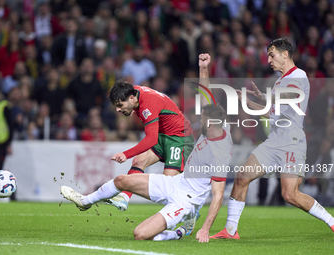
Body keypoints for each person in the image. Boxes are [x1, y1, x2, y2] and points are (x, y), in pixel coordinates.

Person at [61, 54, 232, 241]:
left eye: (204, 121)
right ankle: (85, 201)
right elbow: (206, 95)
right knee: (121, 179)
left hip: (187, 197)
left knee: (140, 234)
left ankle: (181, 229)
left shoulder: (219, 154)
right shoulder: (213, 129)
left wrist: (206, 229)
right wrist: (203, 68)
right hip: (175, 183)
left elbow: (218, 195)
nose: (201, 121)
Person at [211, 38, 334, 239]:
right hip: (274, 140)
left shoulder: (299, 76)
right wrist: (255, 100)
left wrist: (256, 101)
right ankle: (231, 230)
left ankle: (332, 222)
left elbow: (279, 106)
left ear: (285, 54)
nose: (268, 60)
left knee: (290, 194)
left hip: (291, 142)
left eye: (272, 54)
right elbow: (273, 111)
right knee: (242, 177)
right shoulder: (279, 81)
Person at [106, 78, 195, 214]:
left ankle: (190, 211)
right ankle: (124, 197)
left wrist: (126, 154)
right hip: (164, 135)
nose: (118, 109)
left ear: (131, 98)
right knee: (139, 161)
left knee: (168, 185)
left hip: (179, 137)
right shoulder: (134, 93)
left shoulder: (148, 103)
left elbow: (151, 139)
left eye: (120, 105)